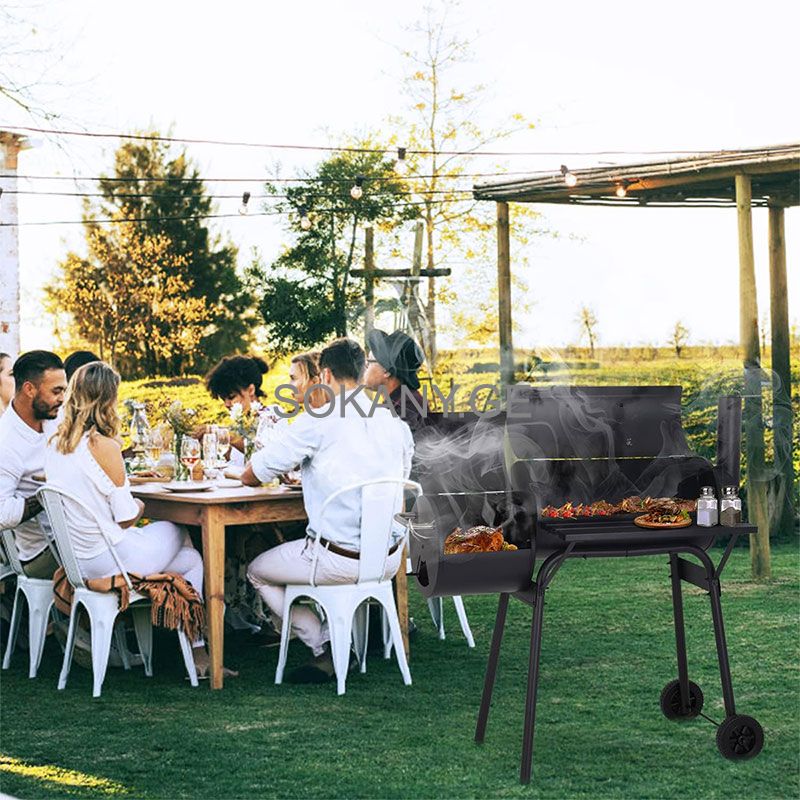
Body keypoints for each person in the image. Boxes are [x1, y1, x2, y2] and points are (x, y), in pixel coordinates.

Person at [45, 361, 236, 678]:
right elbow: (125, 518)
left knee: (191, 561)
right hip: (111, 559)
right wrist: (139, 504)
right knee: (179, 529)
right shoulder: (104, 445)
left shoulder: (56, 444)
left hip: (79, 562)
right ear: (107, 400)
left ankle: (197, 651)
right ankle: (199, 649)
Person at [243, 338, 414, 683]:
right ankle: (337, 642)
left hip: (338, 559)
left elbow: (253, 474)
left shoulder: (319, 419)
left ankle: (325, 645)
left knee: (257, 570)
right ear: (362, 373)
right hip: (387, 557)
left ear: (324, 375)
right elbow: (400, 481)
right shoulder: (394, 423)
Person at [0, 351, 66, 577]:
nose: (62, 399)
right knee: (165, 538)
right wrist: (48, 492)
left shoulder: (54, 417)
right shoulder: (6, 442)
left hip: (75, 533)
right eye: (56, 391)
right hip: (44, 552)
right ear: (29, 389)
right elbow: (2, 514)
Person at [363, 330, 427, 431]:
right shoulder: (396, 401)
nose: (365, 367)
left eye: (369, 362)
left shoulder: (407, 405)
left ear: (386, 371)